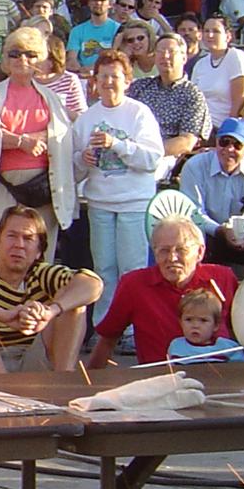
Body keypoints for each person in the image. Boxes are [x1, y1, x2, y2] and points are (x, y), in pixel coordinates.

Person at [0, 205, 101, 374]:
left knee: (74, 301)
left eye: (28, 238)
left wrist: (51, 311)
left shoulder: (43, 273)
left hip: (32, 359)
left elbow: (93, 283)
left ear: (38, 251)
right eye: (11, 236)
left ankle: (63, 378)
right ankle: (2, 381)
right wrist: (3, 315)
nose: (19, 245)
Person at [72, 51, 163, 320]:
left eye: (115, 76)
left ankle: (134, 327)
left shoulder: (139, 113)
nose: (109, 82)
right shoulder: (86, 118)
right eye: (103, 76)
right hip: (100, 203)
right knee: (104, 269)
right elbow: (74, 167)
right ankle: (105, 326)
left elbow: (151, 159)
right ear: (94, 81)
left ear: (127, 81)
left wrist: (118, 145)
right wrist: (83, 158)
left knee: (132, 270)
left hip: (134, 203)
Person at [0, 27, 73, 259]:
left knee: (39, 252)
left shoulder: (51, 98)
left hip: (42, 185)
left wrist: (42, 138)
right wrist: (20, 141)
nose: (21, 60)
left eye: (29, 54)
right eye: (14, 54)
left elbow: (64, 136)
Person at [87, 215, 239, 366]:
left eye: (181, 250)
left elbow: (243, 332)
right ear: (154, 252)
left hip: (220, 378)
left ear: (200, 252)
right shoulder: (134, 284)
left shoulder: (222, 278)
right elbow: (108, 339)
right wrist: (89, 383)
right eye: (164, 250)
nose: (172, 258)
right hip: (160, 381)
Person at [175, 117, 244, 268]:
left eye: (237, 145)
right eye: (224, 142)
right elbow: (192, 213)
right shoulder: (195, 166)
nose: (229, 149)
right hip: (210, 236)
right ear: (216, 142)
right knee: (192, 236)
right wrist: (220, 231)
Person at [128, 33, 211, 178]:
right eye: (160, 51)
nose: (165, 56)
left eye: (171, 52)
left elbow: (187, 141)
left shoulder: (192, 94)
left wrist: (147, 151)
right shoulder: (140, 86)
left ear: (184, 58)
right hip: (129, 148)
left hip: (165, 156)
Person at [190, 15, 244, 124]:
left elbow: (241, 100)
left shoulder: (236, 57)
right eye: (206, 31)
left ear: (228, 36)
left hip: (221, 126)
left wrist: (228, 128)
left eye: (216, 31)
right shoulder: (200, 64)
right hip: (197, 123)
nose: (210, 35)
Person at [166, 286, 244, 364]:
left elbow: (239, 371)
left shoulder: (228, 348)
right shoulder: (176, 346)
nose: (195, 325)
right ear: (180, 322)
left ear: (216, 325)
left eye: (203, 320)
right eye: (189, 319)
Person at [64, 0, 120, 71]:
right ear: (89, 3)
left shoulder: (118, 29)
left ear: (110, 4)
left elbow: (116, 57)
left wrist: (91, 68)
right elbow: (72, 57)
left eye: (102, 0)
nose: (97, 3)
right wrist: (75, 66)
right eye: (94, 0)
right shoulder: (77, 31)